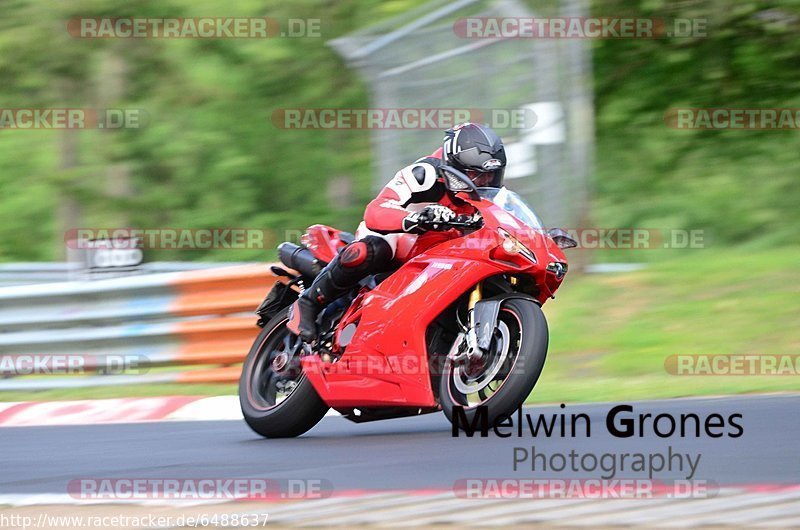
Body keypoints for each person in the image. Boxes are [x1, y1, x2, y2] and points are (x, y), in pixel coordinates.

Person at [287, 122, 507, 341]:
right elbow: (376, 210)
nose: (484, 182)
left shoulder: (493, 197)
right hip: (401, 237)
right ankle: (308, 303)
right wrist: (415, 219)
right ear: (455, 165)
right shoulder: (425, 174)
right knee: (371, 250)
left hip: (443, 254)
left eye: (491, 176)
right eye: (476, 175)